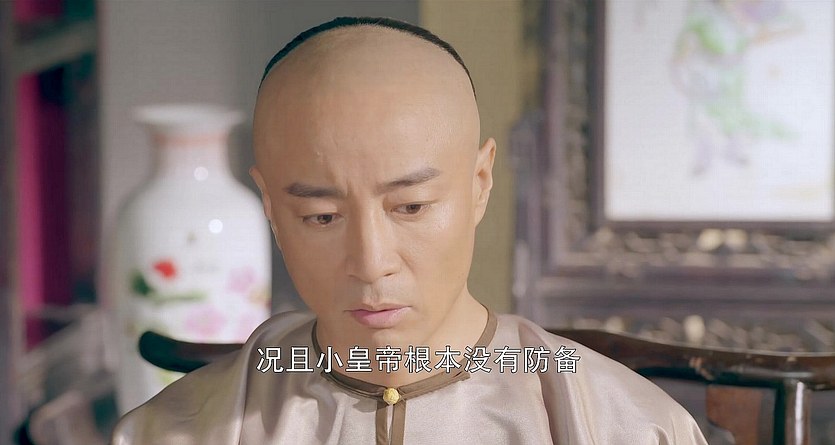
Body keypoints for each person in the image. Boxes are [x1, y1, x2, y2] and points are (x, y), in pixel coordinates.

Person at [111, 16, 708, 445]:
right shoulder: (174, 432)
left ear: (479, 182)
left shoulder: (629, 427)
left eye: (412, 207)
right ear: (270, 205)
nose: (371, 262)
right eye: (322, 217)